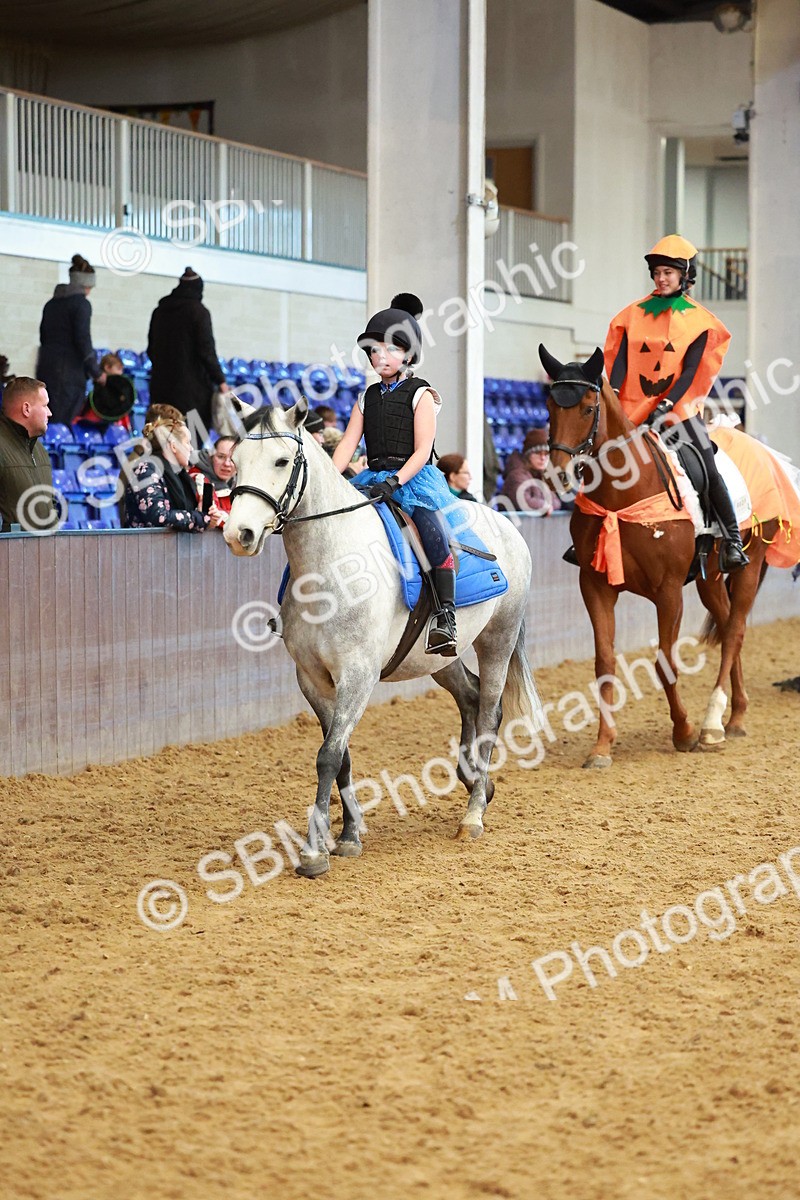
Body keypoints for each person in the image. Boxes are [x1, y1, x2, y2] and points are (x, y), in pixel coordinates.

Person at [604, 234, 748, 572]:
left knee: (707, 468)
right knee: (601, 461)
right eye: (657, 273)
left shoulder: (701, 321)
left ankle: (732, 540)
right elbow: (620, 363)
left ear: (684, 275)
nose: (661, 278)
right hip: (631, 409)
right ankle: (588, 532)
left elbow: (691, 371)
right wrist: (615, 397)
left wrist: (667, 404)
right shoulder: (630, 315)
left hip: (679, 411)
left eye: (668, 272)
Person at [332, 293, 459, 656]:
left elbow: (422, 450)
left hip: (413, 480)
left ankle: (445, 617)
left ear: (408, 355)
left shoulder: (422, 395)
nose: (380, 357)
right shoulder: (366, 397)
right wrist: (330, 478)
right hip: (373, 477)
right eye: (374, 351)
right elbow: (348, 444)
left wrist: (397, 480)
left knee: (433, 533)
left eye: (390, 349)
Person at [147, 267, 228, 434]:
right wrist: (221, 381)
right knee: (191, 439)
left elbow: (151, 349)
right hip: (192, 394)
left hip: (161, 389)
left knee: (162, 437)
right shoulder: (199, 312)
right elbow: (206, 351)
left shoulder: (159, 311)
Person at [122, 413, 224, 533]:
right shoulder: (146, 469)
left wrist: (206, 514)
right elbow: (158, 517)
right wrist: (200, 519)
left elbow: (185, 515)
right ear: (174, 446)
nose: (191, 448)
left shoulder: (181, 475)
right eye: (188, 442)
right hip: (143, 544)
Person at [36, 254, 106, 426]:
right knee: (62, 425)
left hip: (46, 369)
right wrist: (96, 372)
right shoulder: (81, 304)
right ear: (86, 285)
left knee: (46, 421)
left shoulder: (51, 304)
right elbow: (83, 339)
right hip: (69, 376)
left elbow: (43, 335)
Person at [0, 377, 59, 533]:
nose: (50, 413)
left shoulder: (39, 449)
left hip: (43, 546)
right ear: (26, 409)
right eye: (45, 406)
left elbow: (50, 503)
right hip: (10, 547)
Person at [501, 427, 562, 513]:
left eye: (546, 454)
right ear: (528, 455)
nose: (543, 458)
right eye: (538, 453)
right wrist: (545, 506)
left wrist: (547, 506)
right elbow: (523, 501)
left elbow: (557, 502)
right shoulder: (516, 475)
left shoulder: (543, 475)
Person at [189, 435, 237, 522]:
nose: (227, 464)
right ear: (211, 457)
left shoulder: (239, 484)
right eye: (221, 457)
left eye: (232, 459)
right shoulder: (199, 477)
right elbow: (213, 516)